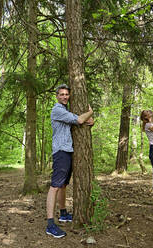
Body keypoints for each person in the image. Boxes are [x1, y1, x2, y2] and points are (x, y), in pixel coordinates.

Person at [46, 84, 94, 238]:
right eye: (61, 94)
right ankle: (50, 224)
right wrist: (90, 112)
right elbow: (80, 120)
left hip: (67, 151)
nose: (65, 97)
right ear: (57, 96)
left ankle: (63, 213)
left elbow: (83, 121)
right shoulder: (57, 110)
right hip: (61, 151)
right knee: (55, 186)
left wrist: (88, 120)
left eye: (67, 94)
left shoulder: (65, 111)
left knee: (63, 185)